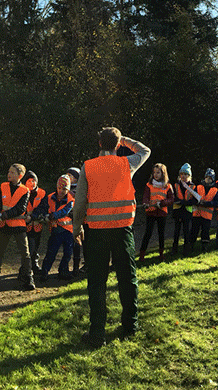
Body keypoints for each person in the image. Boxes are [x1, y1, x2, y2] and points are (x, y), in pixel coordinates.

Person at [73, 127, 150, 348]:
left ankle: (97, 334)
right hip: (122, 230)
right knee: (127, 278)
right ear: (118, 145)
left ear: (99, 144)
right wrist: (124, 140)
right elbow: (145, 150)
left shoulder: (88, 166)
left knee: (97, 282)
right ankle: (130, 325)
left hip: (96, 231)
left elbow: (79, 203)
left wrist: (77, 227)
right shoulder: (127, 164)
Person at [0, 163, 36, 291]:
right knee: (0, 251)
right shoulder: (3, 186)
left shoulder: (25, 190)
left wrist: (4, 215)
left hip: (18, 225)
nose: (9, 174)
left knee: (25, 253)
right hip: (5, 225)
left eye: (12, 172)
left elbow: (20, 209)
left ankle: (28, 278)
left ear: (20, 175)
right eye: (9, 171)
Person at [39, 174, 76, 281]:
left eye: (64, 189)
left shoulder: (70, 200)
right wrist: (40, 215)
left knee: (68, 253)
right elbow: (43, 208)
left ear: (68, 189)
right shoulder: (49, 197)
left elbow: (64, 212)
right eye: (59, 188)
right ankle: (44, 272)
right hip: (55, 231)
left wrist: (51, 216)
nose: (61, 191)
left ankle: (63, 271)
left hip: (68, 231)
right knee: (51, 252)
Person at [137, 163, 172, 262]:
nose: (156, 175)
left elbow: (171, 199)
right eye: (154, 173)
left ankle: (161, 254)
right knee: (148, 233)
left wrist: (162, 203)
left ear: (163, 173)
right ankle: (142, 255)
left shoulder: (168, 186)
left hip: (162, 212)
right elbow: (146, 196)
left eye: (158, 172)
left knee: (161, 234)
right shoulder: (149, 185)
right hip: (151, 212)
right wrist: (146, 203)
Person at [169, 164, 196, 255]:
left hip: (187, 212)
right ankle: (174, 249)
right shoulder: (176, 185)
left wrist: (184, 202)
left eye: (185, 174)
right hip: (177, 211)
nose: (183, 176)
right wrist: (178, 201)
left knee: (186, 231)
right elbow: (172, 197)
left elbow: (195, 200)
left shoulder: (193, 186)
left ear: (189, 176)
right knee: (176, 231)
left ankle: (186, 249)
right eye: (182, 174)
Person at [191, 168, 218, 254]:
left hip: (207, 216)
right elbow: (193, 198)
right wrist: (198, 202)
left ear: (212, 179)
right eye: (207, 177)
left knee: (205, 231)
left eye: (210, 178)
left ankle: (204, 247)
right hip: (197, 214)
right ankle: (191, 245)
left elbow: (216, 202)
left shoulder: (215, 190)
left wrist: (207, 203)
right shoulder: (198, 187)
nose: (208, 179)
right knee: (194, 230)